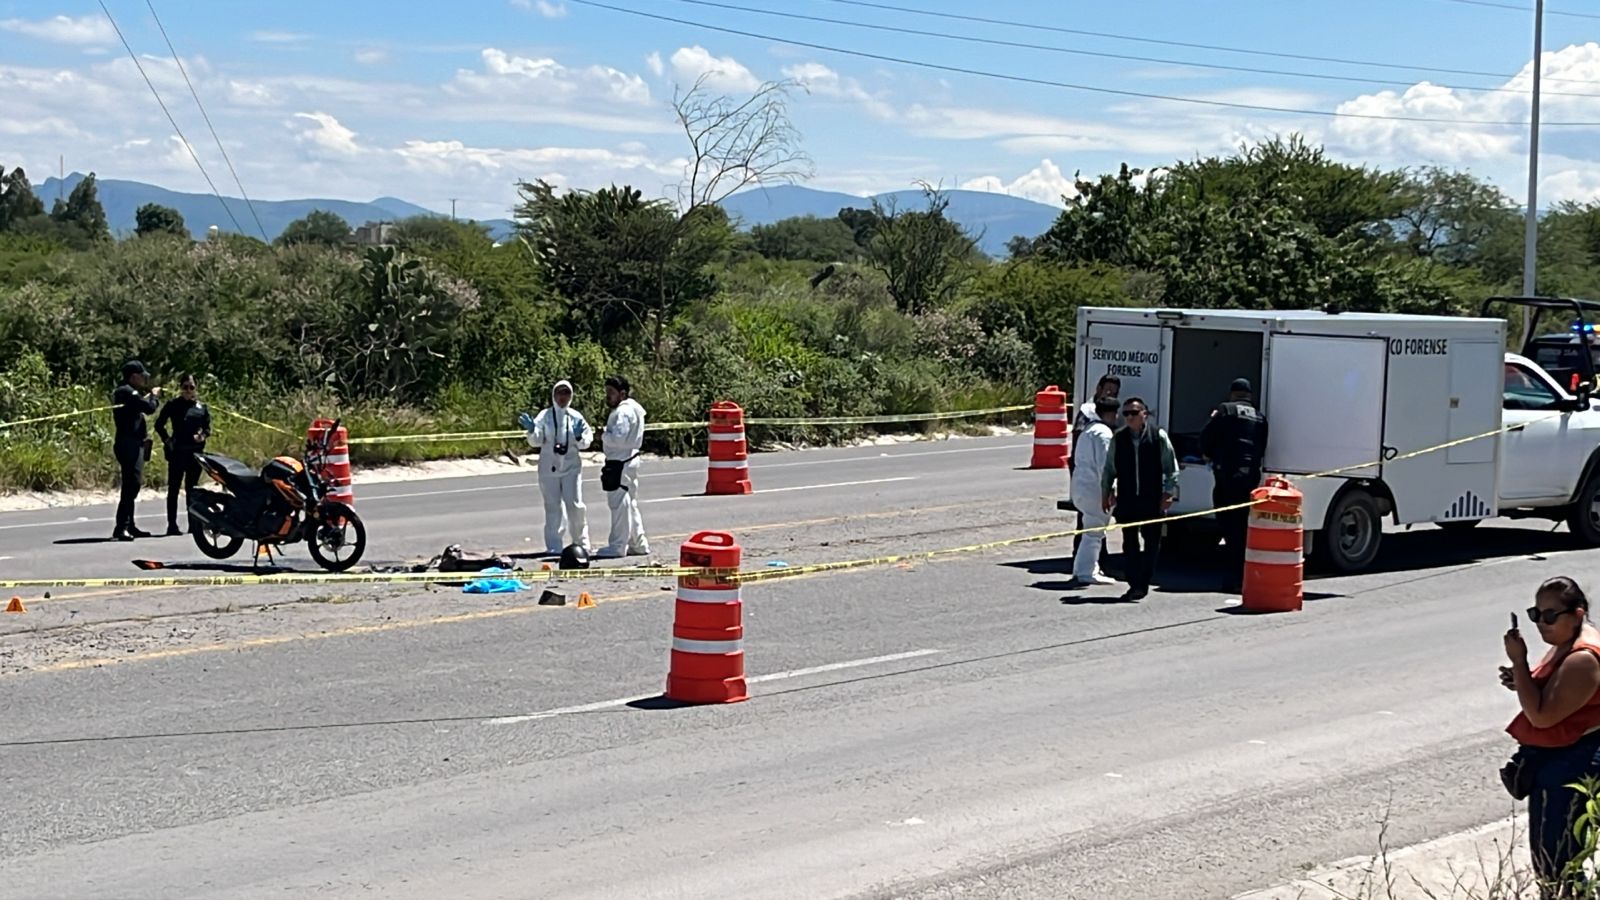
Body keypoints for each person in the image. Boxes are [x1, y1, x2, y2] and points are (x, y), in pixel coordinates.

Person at [1502, 576, 1600, 896]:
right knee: (1553, 859)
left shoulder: (1583, 658)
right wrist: (1522, 678)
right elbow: (1554, 694)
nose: (1541, 624)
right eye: (1536, 614)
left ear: (1578, 614)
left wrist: (1519, 662)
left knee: (1557, 862)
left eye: (1549, 616)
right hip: (1559, 759)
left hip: (1571, 762)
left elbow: (1543, 717)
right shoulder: (1565, 644)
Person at [1101, 397, 1178, 601]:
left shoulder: (1157, 436)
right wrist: (1106, 492)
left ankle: (1144, 579)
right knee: (1130, 542)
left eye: (1133, 413)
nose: (1129, 418)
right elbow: (1110, 469)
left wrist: (1168, 493)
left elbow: (1171, 468)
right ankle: (1135, 584)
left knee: (1152, 543)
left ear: (1144, 413)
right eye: (1126, 414)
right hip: (1127, 499)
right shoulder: (1119, 438)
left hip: (1151, 498)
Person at [1199, 377, 1269, 592]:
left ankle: (1232, 579)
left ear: (1232, 393)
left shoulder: (1225, 410)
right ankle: (1242, 576)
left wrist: (1207, 454)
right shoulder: (1259, 417)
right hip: (1249, 478)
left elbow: (1207, 437)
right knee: (1242, 528)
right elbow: (1263, 446)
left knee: (1228, 528)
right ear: (1249, 395)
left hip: (1227, 476)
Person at [519, 379, 592, 556]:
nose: (563, 397)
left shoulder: (576, 417)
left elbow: (586, 443)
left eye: (566, 393)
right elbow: (536, 441)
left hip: (571, 467)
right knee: (552, 506)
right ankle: (554, 546)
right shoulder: (544, 416)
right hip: (549, 468)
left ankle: (581, 543)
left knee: (575, 505)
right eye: (559, 393)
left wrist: (579, 436)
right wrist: (531, 430)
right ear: (553, 395)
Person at [1071, 374, 1120, 568]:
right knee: (1093, 533)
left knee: (1091, 533)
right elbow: (1105, 466)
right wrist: (1111, 490)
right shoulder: (1103, 433)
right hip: (1094, 489)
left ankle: (1088, 568)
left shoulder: (1090, 430)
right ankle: (1086, 571)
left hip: (1083, 486)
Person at [599, 374, 649, 558]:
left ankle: (617, 546)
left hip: (620, 461)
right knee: (630, 503)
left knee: (619, 504)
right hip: (629, 459)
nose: (608, 396)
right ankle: (638, 543)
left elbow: (617, 439)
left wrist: (603, 436)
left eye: (611, 393)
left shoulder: (622, 412)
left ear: (622, 393)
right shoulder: (635, 409)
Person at [154, 373, 211, 536]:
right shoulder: (173, 405)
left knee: (192, 489)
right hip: (178, 452)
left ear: (195, 389)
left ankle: (194, 524)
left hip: (195, 454)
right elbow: (159, 425)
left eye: (191, 387)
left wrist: (202, 435)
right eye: (185, 387)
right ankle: (172, 525)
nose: (188, 390)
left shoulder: (201, 407)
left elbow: (207, 428)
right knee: (173, 489)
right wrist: (167, 440)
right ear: (180, 388)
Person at [111, 360, 161, 541]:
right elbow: (149, 408)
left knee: (134, 484)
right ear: (133, 376)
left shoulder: (131, 393)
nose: (144, 379)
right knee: (131, 485)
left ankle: (130, 525)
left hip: (136, 443)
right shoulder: (125, 391)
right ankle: (121, 527)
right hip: (128, 444)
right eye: (142, 376)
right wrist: (154, 396)